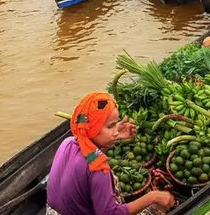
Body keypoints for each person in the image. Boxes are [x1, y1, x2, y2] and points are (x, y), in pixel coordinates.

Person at [46, 92, 176, 215]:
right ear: (93, 129)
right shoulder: (98, 170)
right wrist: (152, 197)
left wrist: (115, 133)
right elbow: (109, 213)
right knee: (157, 209)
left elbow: (89, 156)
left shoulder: (68, 142)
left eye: (115, 125)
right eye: (110, 126)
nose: (115, 131)